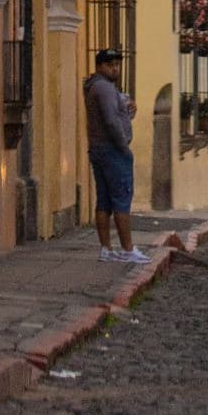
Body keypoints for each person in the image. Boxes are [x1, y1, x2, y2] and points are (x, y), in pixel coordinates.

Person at [83, 49, 147, 265]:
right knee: (121, 200)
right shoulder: (104, 88)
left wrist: (128, 110)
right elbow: (111, 121)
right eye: (110, 64)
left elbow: (115, 115)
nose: (115, 68)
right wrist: (123, 147)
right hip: (112, 150)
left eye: (117, 64)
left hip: (99, 148)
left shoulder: (96, 87)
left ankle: (106, 249)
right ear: (100, 66)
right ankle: (128, 249)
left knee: (104, 201)